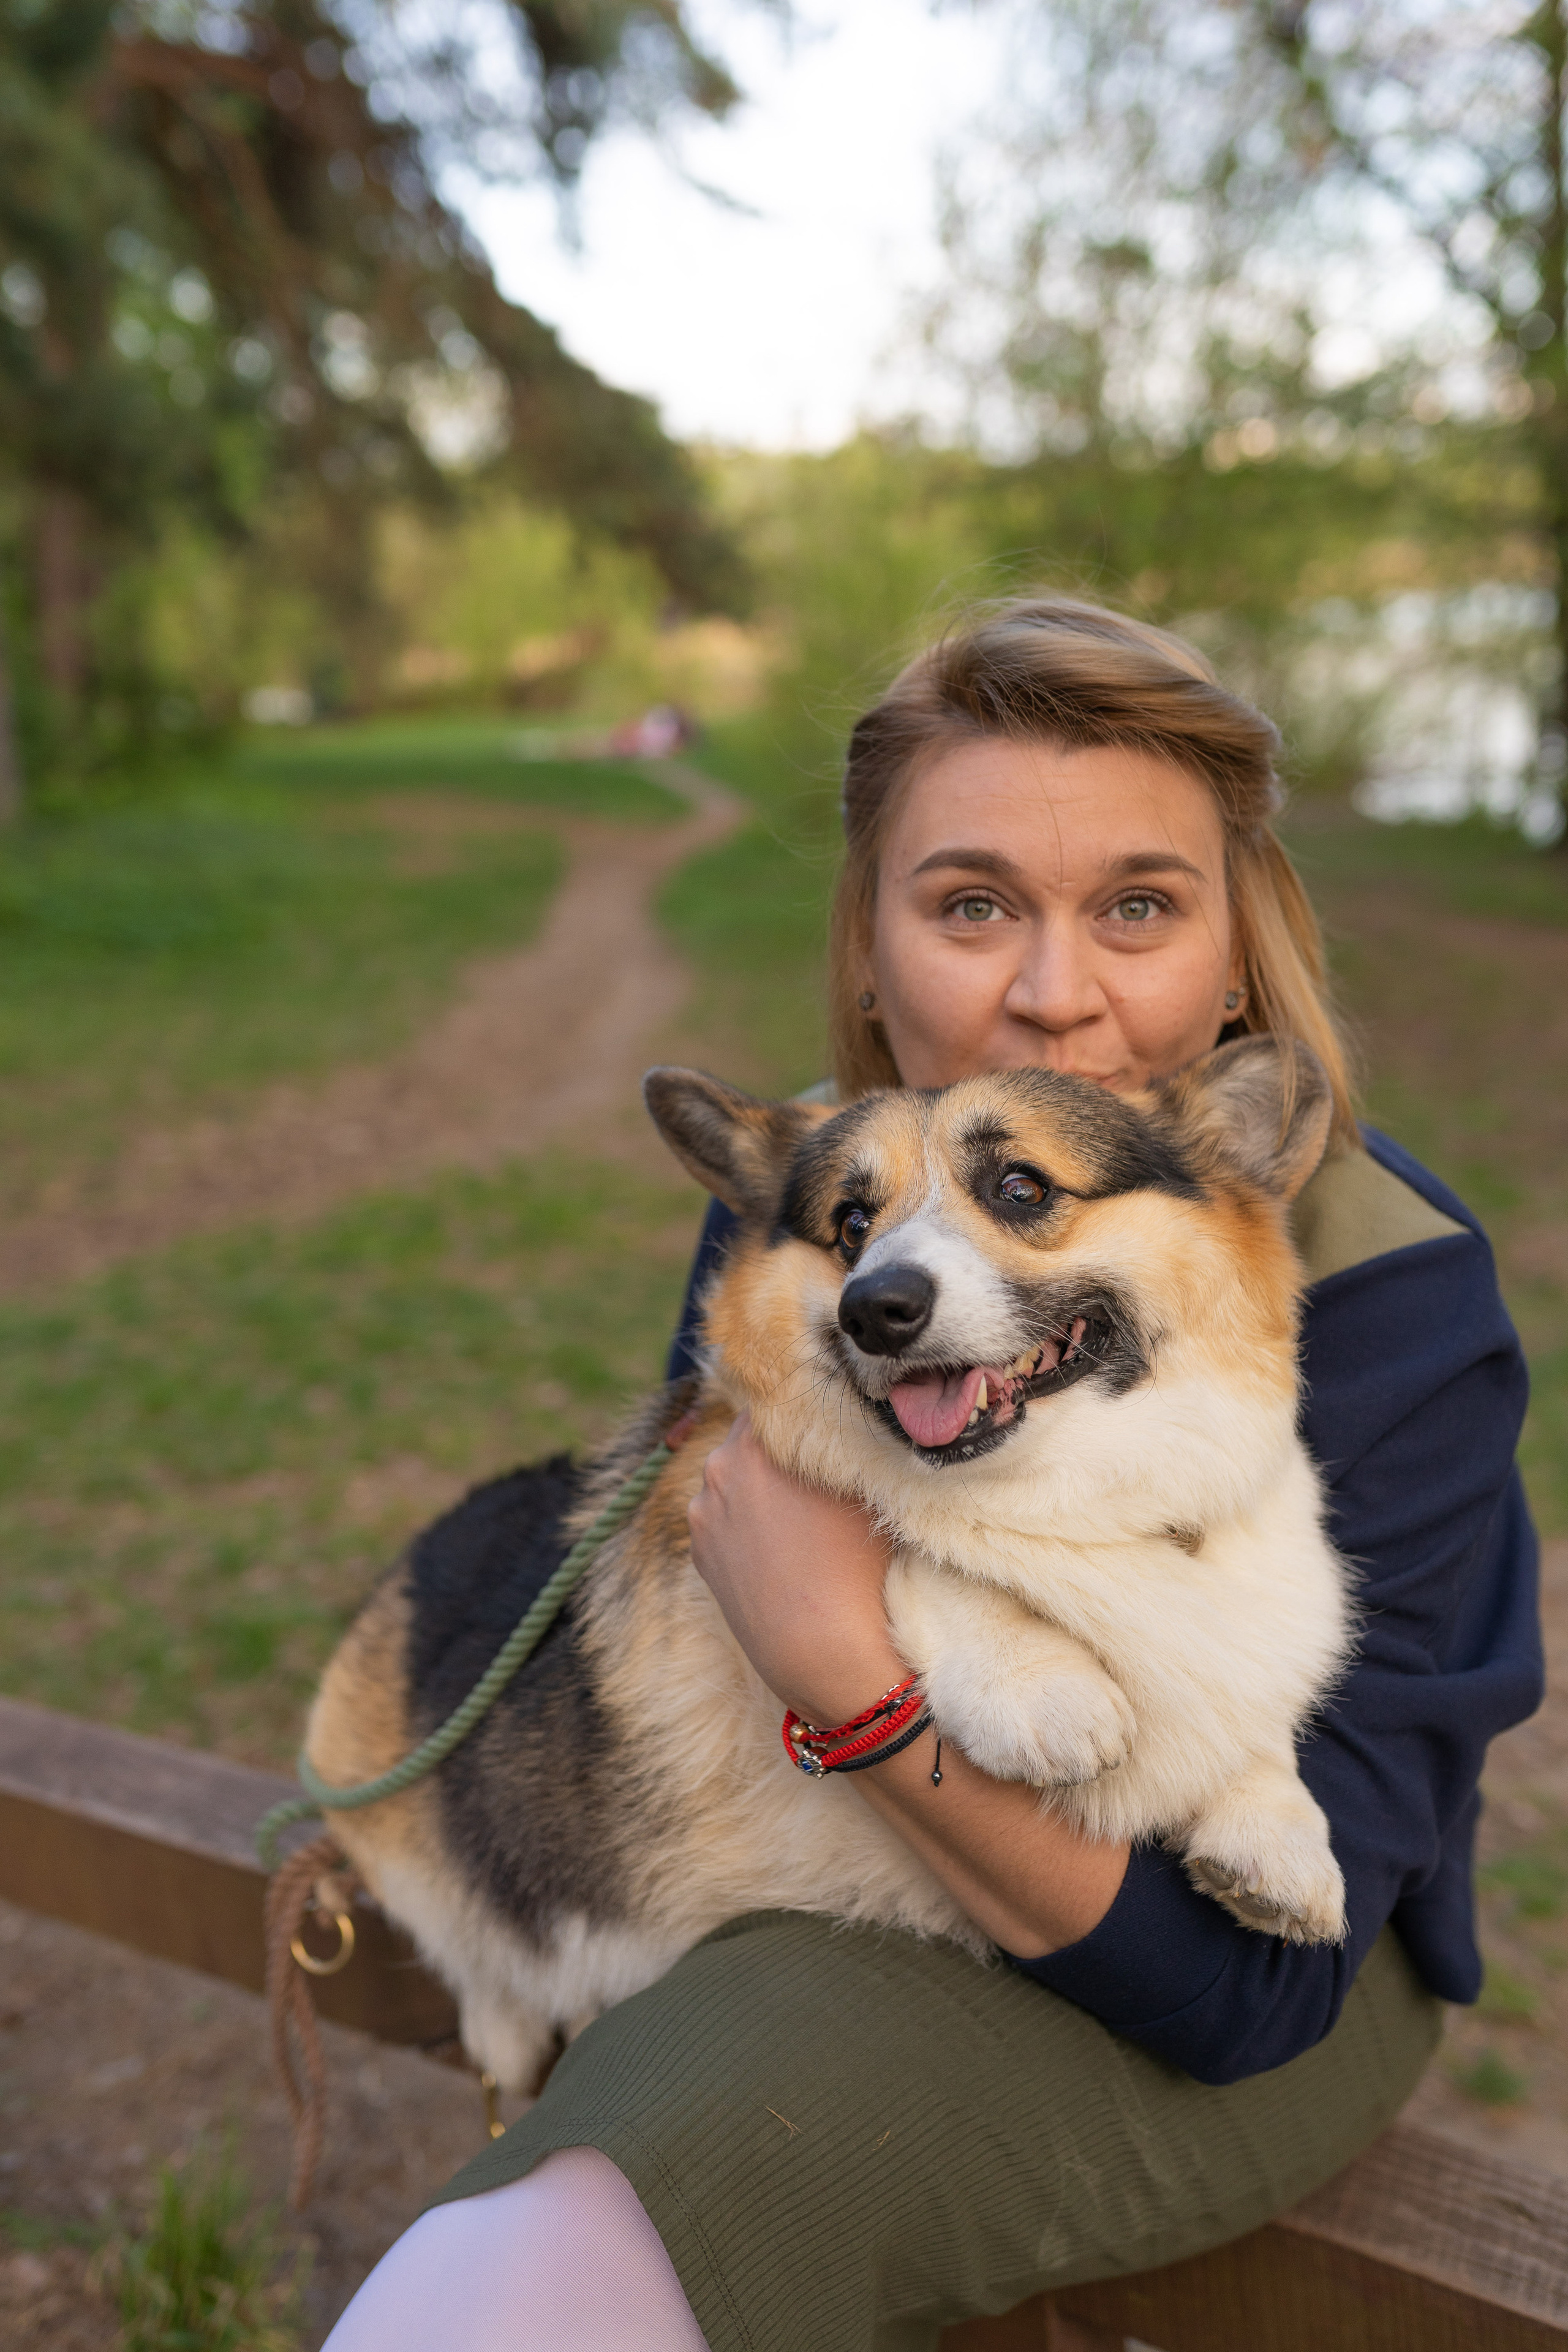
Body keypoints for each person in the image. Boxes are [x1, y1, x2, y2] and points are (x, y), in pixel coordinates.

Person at [325, 598, 1542, 2352]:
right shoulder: (822, 1214)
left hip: (1266, 1973)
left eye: (1140, 904)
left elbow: (1247, 1984)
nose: (1055, 997)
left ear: (1238, 943)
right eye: (972, 905)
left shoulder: (1398, 1294)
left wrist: (852, 1689)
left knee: (688, 2157)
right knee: (640, 2153)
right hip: (848, 1871)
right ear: (878, 942)